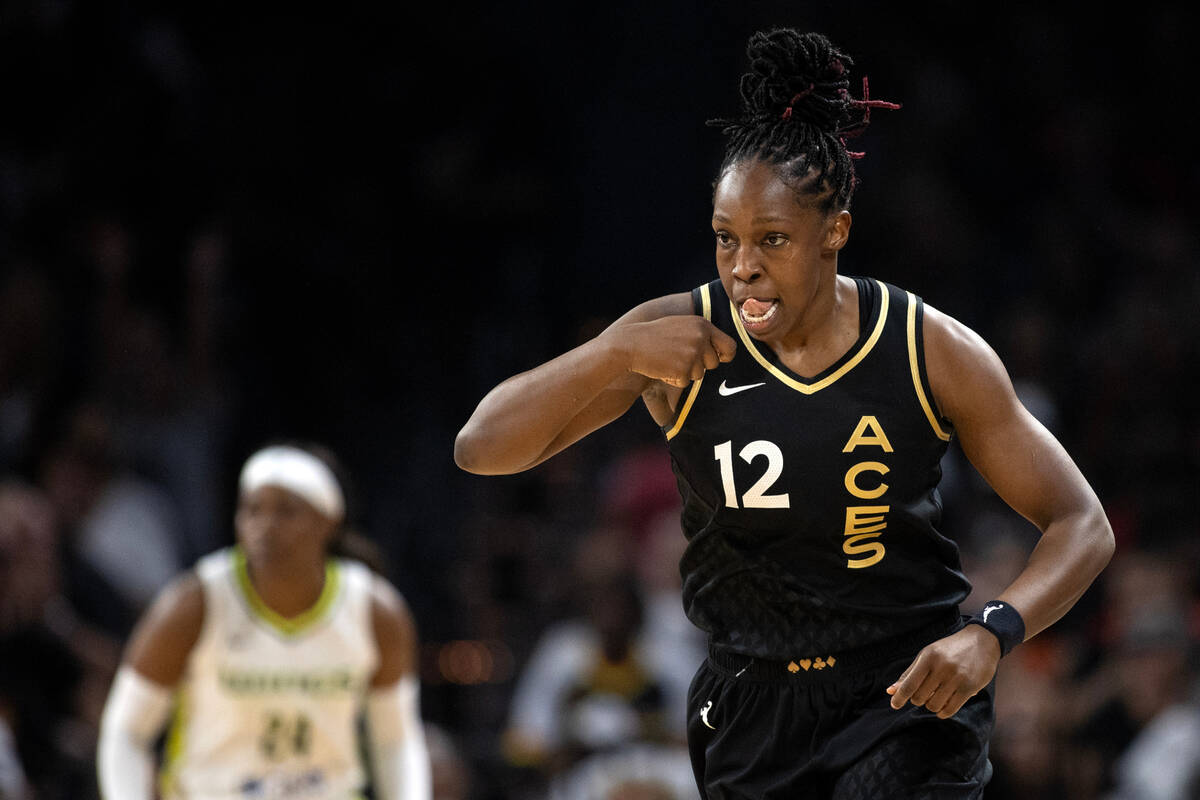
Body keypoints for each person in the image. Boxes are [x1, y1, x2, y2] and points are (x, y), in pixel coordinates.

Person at [454, 28, 1114, 798]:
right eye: (725, 240)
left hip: (901, 692)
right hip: (749, 701)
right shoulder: (678, 335)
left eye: (772, 240)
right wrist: (612, 354)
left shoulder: (927, 347)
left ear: (834, 232)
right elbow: (481, 445)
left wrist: (992, 633)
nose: (743, 268)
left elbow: (1082, 524)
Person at [96, 442, 432, 799]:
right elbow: (125, 731)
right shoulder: (193, 604)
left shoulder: (375, 610)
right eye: (252, 510)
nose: (265, 527)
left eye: (287, 512)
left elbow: (396, 740)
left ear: (328, 521)